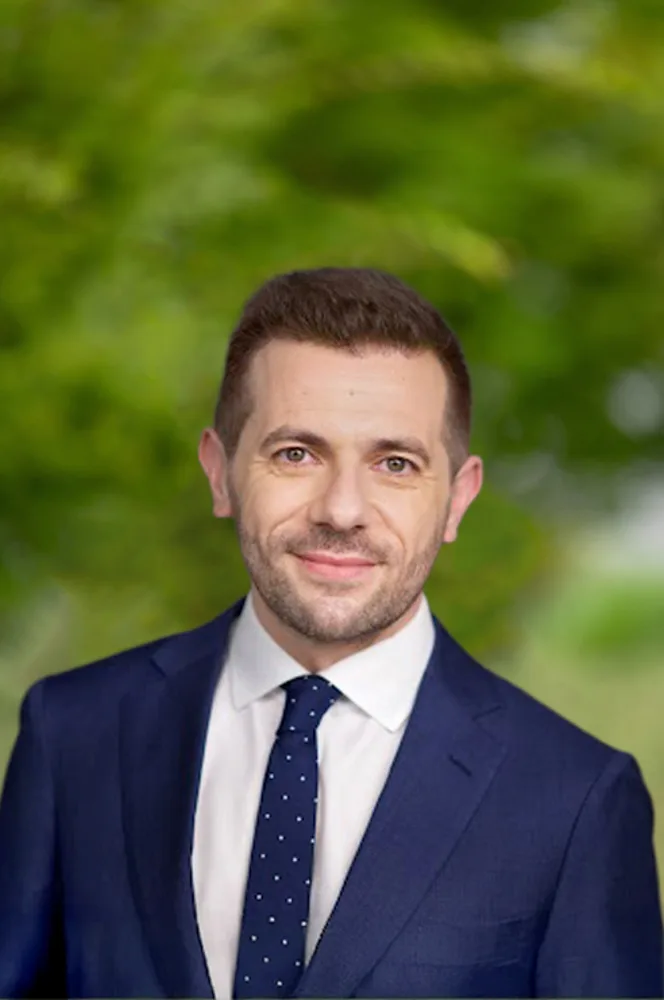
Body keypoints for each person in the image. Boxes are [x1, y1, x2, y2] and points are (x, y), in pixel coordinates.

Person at [0, 267, 661, 999]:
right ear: (220, 473)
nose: (343, 509)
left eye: (396, 463)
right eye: (296, 454)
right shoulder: (73, 733)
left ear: (457, 499)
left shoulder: (575, 797)